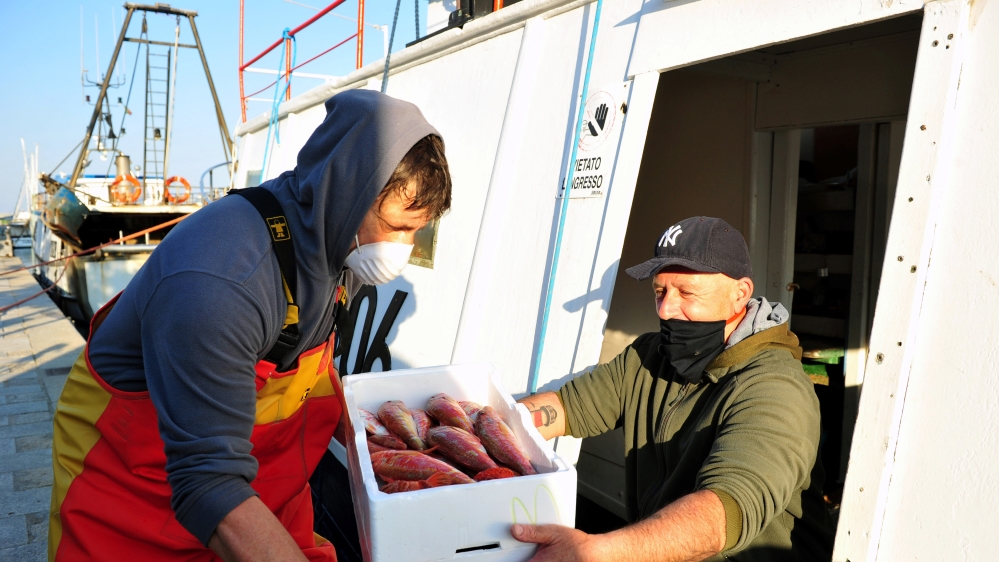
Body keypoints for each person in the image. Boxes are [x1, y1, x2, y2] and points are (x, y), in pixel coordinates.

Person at [48, 90, 451, 561]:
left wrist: (383, 443)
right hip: (132, 503)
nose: (402, 249)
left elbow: (310, 373)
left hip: (263, 493)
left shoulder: (343, 244)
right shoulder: (218, 279)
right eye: (395, 227)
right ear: (344, 193)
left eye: (415, 230)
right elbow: (209, 484)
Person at [514, 216, 834, 561]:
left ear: (740, 294)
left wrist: (594, 552)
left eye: (686, 292)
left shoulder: (774, 387)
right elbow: (567, 408)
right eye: (660, 291)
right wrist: (481, 426)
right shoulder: (650, 355)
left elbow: (722, 515)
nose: (666, 309)